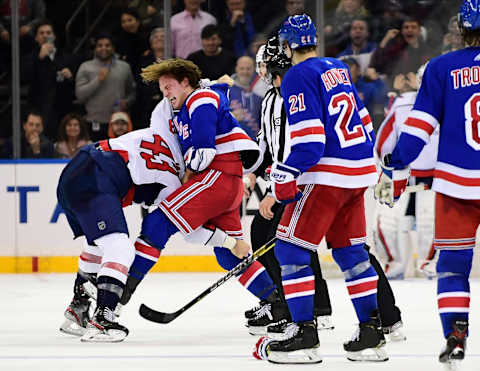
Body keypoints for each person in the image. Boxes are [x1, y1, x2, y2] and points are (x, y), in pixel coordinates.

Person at [58, 97, 251, 341]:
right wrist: (232, 243)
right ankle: (103, 320)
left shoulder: (163, 129)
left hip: (75, 169)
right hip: (98, 177)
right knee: (120, 249)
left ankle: (78, 308)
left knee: (97, 243)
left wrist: (202, 87)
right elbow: (190, 233)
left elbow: (166, 103)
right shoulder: (172, 183)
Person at [254, 14, 387, 364]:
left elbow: (311, 143)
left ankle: (304, 336)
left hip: (327, 175)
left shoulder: (297, 75)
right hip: (359, 172)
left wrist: (283, 176)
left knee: (290, 251)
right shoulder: (337, 67)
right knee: (350, 253)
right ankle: (371, 332)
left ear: (286, 45)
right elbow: (365, 121)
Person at [375, 1, 480, 368]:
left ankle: (455, 335)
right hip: (456, 183)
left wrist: (396, 164)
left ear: (461, 30)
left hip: (456, 185)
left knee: (452, 267)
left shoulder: (440, 67)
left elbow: (418, 128)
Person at [247, 38, 334, 337]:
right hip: (282, 179)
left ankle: (304, 308)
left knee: (290, 242)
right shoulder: (270, 98)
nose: (261, 71)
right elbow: (266, 145)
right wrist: (253, 174)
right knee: (271, 237)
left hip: (297, 179)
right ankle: (290, 304)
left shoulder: (292, 93)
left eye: (264, 65)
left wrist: (278, 184)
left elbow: (299, 145)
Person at [375, 65, 438, 279]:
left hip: (435, 179)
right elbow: (384, 143)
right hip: (401, 175)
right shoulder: (402, 105)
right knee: (386, 223)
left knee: (432, 223)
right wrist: (387, 171)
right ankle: (394, 265)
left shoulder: (450, 104)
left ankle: (428, 263)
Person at [24, 20, 82, 140]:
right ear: (36, 38)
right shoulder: (30, 58)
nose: (45, 35)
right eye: (41, 33)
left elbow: (75, 85)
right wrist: (40, 58)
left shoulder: (67, 57)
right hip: (39, 109)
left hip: (62, 109)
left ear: (54, 36)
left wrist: (70, 77)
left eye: (48, 32)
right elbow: (25, 78)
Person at [75, 33, 136, 141]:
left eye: (107, 45)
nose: (104, 48)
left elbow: (132, 93)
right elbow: (80, 95)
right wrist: (98, 80)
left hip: (119, 123)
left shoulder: (124, 67)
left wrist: (127, 102)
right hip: (94, 122)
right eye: (100, 45)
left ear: (113, 48)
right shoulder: (85, 67)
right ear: (95, 48)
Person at [229, 56, 264, 139]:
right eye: (242, 68)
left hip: (255, 144)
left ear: (254, 70)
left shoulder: (260, 93)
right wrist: (232, 116)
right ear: (236, 69)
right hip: (233, 142)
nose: (245, 72)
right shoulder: (226, 90)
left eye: (248, 69)